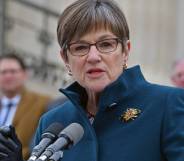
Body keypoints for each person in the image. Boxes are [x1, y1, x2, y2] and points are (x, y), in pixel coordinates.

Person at [1, 0, 184, 161]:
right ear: (65, 58)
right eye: (80, 47)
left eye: (106, 44)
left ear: (126, 50)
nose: (93, 56)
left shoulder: (168, 104)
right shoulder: (53, 121)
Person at [0, 53, 51, 160]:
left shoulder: (43, 103)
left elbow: (40, 145)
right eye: (3, 72)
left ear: (24, 74)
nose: (8, 76)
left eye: (13, 71)